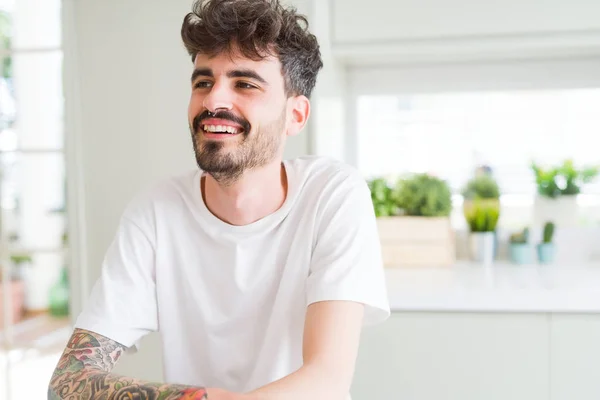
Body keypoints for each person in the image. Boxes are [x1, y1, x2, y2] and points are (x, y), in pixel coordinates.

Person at [48, 0, 390, 398]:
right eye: (203, 82)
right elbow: (67, 381)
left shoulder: (333, 195)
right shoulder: (156, 212)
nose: (213, 101)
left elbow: (326, 380)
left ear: (295, 116)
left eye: (244, 84)